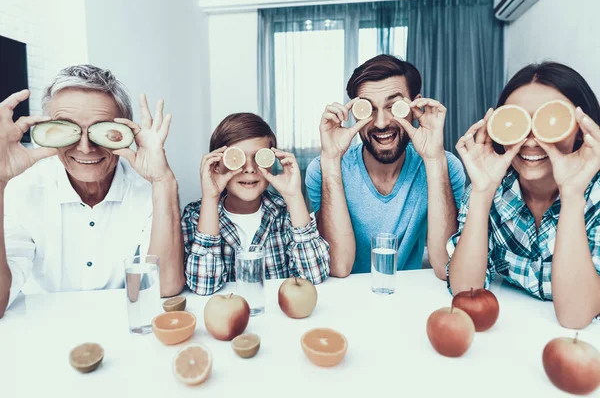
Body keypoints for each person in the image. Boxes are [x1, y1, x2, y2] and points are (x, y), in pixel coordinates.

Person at [0, 65, 184, 318]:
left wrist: (163, 180)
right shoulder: (21, 189)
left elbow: (165, 287)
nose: (86, 148)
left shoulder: (149, 190)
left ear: (125, 132)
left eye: (103, 130)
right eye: (68, 130)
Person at [447, 62, 600, 329]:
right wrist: (482, 193)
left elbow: (575, 316)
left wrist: (573, 195)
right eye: (516, 123)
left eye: (549, 123)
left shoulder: (594, 196)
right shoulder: (492, 189)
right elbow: (465, 291)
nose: (530, 140)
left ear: (580, 131)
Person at [305, 54, 465, 278]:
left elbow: (446, 267)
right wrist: (331, 160)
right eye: (368, 109)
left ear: (415, 106)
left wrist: (434, 159)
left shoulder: (445, 166)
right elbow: (338, 267)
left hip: (404, 296)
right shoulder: (322, 169)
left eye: (394, 106)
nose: (381, 123)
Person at [181, 113, 330, 295]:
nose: (250, 168)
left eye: (259, 158)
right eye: (237, 158)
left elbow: (315, 275)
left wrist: (294, 196)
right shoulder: (195, 217)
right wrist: (211, 198)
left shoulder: (286, 212)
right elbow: (203, 286)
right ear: (217, 165)